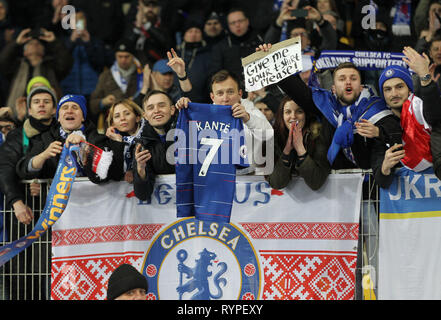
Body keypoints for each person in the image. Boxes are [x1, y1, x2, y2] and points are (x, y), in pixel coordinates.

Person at [176, 69, 273, 175]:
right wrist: (186, 109)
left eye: (230, 92)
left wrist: (247, 118)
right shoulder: (204, 115)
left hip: (248, 178)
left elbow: (269, 135)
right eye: (220, 93)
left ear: (240, 93)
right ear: (212, 97)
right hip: (215, 177)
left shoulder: (251, 111)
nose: (225, 98)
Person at [371, 46, 441, 188]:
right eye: (388, 89)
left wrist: (424, 76)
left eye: (399, 87)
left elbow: (435, 115)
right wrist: (385, 168)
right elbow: (382, 182)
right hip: (412, 209)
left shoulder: (419, 107)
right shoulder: (379, 124)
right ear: (383, 95)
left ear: (409, 89)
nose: (394, 93)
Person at [16, 94, 118, 184]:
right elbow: (23, 170)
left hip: (93, 203)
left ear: (83, 117)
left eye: (75, 107)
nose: (69, 111)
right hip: (58, 204)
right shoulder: (45, 139)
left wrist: (86, 149)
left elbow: (111, 171)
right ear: (59, 117)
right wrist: (44, 155)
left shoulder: (97, 139)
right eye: (65, 107)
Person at [0, 86, 57, 225]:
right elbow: (5, 168)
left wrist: (43, 185)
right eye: (36, 102)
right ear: (29, 110)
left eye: (46, 101)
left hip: (58, 210)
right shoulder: (17, 135)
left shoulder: (61, 133)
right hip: (25, 210)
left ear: (55, 109)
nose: (42, 104)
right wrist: (16, 202)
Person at [0, 27, 73, 123]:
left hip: (46, 113)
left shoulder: (50, 65)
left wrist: (54, 42)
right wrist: (16, 43)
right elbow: (2, 62)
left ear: (43, 51)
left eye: (38, 44)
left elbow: (66, 62)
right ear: (24, 52)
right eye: (30, 43)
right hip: (18, 113)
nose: (35, 45)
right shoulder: (16, 66)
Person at [266, 96, 330, 190]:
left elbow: (316, 182)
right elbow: (276, 184)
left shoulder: (319, 137)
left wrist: (300, 150)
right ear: (282, 116)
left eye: (299, 111)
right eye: (288, 112)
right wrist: (287, 151)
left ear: (306, 115)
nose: (293, 116)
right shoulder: (274, 139)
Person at [89, 38, 144, 133]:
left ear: (133, 56)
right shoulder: (105, 75)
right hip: (113, 129)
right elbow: (92, 105)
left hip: (138, 127)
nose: (123, 60)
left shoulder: (141, 74)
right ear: (115, 56)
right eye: (120, 56)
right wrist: (103, 102)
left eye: (127, 56)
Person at [132, 90, 176, 201]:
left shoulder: (188, 133)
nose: (156, 111)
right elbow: (143, 195)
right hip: (164, 213)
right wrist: (141, 170)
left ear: (172, 110)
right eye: (150, 108)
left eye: (161, 105)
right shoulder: (141, 146)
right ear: (145, 115)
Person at [208, 8, 264, 86]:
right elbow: (215, 76)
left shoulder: (260, 39)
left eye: (240, 21)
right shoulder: (220, 47)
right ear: (229, 26)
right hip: (234, 93)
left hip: (262, 88)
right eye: (233, 23)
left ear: (247, 21)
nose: (237, 25)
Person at [106, 99, 145, 183]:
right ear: (113, 124)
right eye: (117, 116)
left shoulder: (149, 136)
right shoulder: (109, 142)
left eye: (127, 114)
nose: (122, 118)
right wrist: (118, 142)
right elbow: (115, 175)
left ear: (137, 118)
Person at [123, 0, 172, 66]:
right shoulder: (132, 25)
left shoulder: (164, 25)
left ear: (158, 9)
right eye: (147, 6)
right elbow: (126, 46)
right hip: (135, 64)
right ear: (140, 9)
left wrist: (147, 25)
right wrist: (138, 27)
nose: (150, 9)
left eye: (153, 6)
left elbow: (165, 43)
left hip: (157, 63)